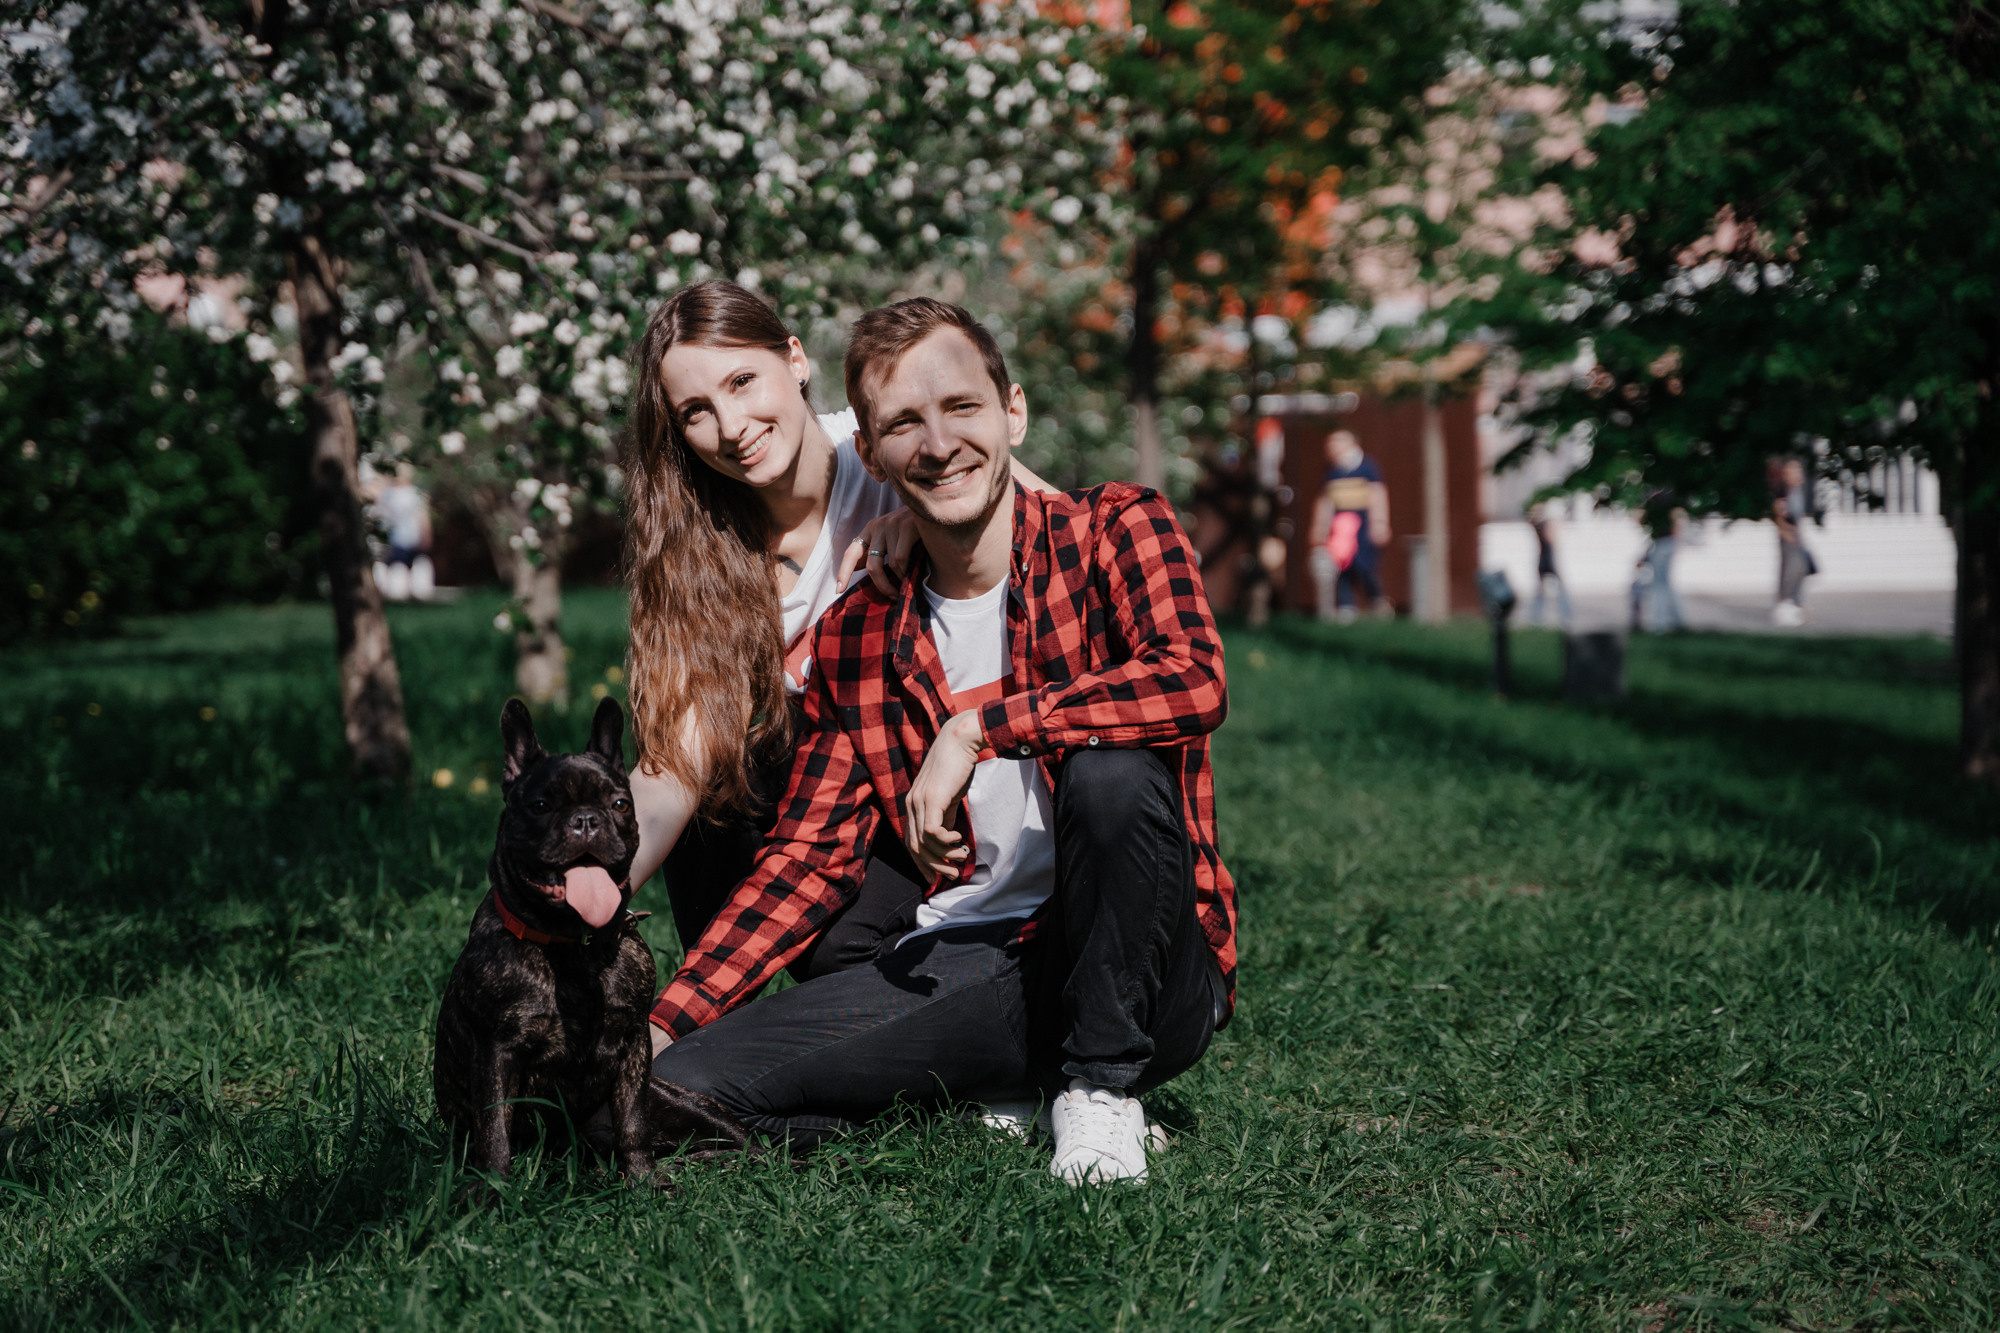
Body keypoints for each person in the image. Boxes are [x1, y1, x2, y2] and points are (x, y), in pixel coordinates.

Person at [648, 298, 1236, 1186]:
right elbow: (806, 858)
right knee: (676, 1085)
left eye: (961, 408)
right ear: (873, 454)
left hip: (1148, 961)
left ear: (1014, 412)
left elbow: (1192, 676)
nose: (936, 443)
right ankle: (982, 1088)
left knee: (1112, 772)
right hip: (978, 955)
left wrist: (980, 728)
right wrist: (667, 1018)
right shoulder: (861, 631)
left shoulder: (1118, 530)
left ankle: (1101, 1086)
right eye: (904, 426)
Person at [619, 280, 1050, 963]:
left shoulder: (895, 442)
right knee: (711, 776)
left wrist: (925, 510)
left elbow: (1061, 524)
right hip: (804, 803)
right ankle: (716, 1024)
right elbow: (673, 769)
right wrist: (583, 895)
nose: (732, 427)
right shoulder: (696, 550)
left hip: (926, 774)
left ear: (794, 359)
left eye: (742, 381)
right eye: (697, 411)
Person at [1309, 428, 1392, 623]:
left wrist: (1379, 522)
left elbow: (1378, 495)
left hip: (1362, 524)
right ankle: (1346, 606)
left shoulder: (1367, 467)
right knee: (1341, 565)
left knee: (1365, 565)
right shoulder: (1333, 471)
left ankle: (1377, 601)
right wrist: (1320, 526)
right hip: (1340, 527)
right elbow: (1325, 500)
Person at [372, 461, 434, 601]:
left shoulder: (390, 493)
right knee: (405, 565)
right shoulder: (414, 493)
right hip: (407, 537)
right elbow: (422, 516)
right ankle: (405, 592)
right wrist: (426, 534)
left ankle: (399, 591)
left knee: (398, 566)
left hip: (398, 537)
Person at [1772, 456, 1817, 626]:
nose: (1797, 473)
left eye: (1798, 470)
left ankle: (1796, 605)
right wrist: (1788, 533)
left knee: (1801, 570)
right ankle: (1784, 606)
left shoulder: (1798, 491)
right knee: (1792, 571)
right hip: (1789, 539)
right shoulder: (1784, 492)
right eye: (1793, 470)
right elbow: (1779, 514)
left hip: (1797, 537)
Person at [1527, 503, 1573, 628]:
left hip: (1543, 560)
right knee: (1560, 590)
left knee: (1541, 591)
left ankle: (1536, 617)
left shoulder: (1537, 525)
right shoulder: (1544, 526)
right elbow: (1552, 538)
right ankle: (1566, 616)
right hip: (1550, 561)